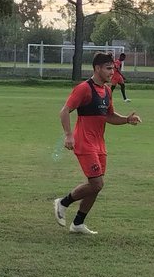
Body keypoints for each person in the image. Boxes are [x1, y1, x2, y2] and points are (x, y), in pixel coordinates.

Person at [52, 52, 141, 235]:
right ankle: (63, 202)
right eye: (108, 68)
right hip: (84, 142)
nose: (112, 72)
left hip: (99, 144)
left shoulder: (107, 91)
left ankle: (77, 223)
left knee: (95, 185)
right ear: (97, 68)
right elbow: (64, 111)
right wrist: (69, 135)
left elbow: (109, 115)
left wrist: (126, 120)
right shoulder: (84, 88)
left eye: (113, 68)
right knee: (97, 183)